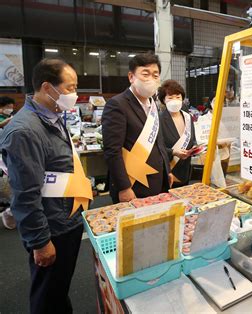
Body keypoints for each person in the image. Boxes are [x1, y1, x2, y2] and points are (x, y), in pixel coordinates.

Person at [0, 58, 93, 313]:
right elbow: (25, 195)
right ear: (46, 88)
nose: (74, 94)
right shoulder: (25, 131)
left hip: (66, 218)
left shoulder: (53, 115)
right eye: (70, 88)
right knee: (46, 297)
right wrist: (40, 242)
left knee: (57, 290)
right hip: (51, 229)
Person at [102, 53, 172, 203]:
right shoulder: (117, 104)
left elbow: (158, 144)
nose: (151, 79)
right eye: (145, 74)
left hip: (158, 180)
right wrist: (124, 187)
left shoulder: (153, 104)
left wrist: (167, 171)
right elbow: (112, 151)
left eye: (155, 75)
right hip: (133, 184)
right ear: (131, 77)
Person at [158, 80, 197, 187]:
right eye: (170, 98)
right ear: (163, 100)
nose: (175, 100)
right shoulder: (159, 119)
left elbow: (193, 139)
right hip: (169, 170)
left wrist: (195, 148)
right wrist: (174, 152)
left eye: (178, 97)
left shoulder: (188, 117)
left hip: (185, 169)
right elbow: (157, 147)